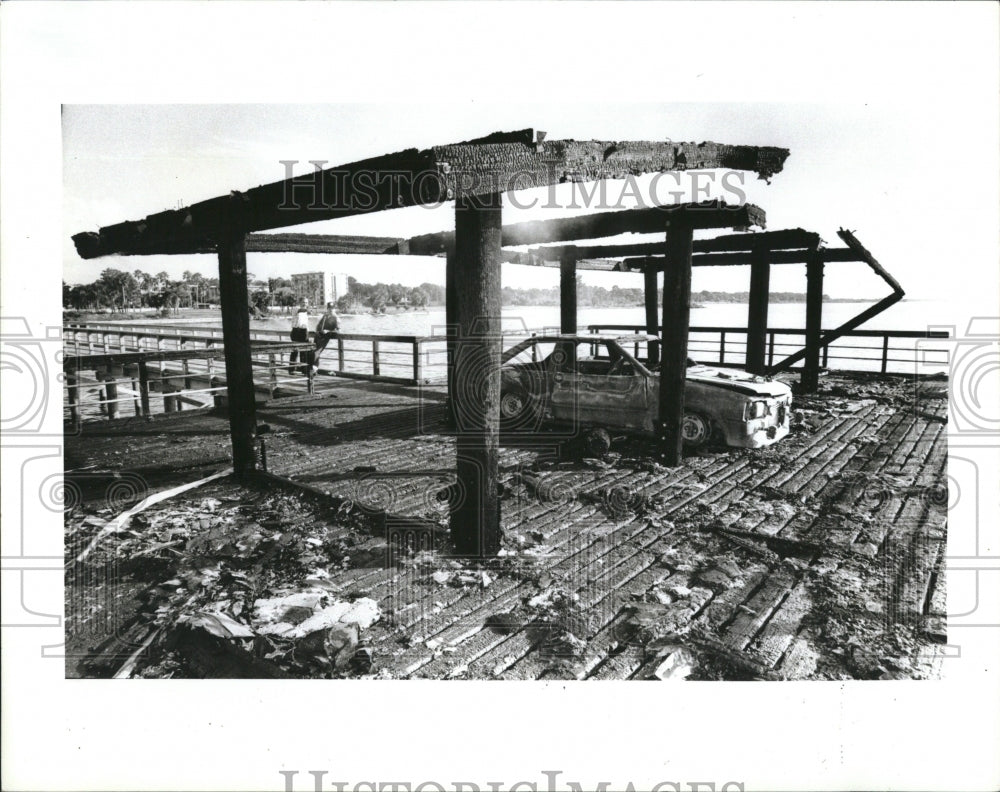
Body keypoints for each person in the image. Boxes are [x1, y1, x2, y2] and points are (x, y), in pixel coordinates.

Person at [313, 302, 340, 370]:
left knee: (316, 353)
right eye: (329, 308)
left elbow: (337, 331)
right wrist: (317, 331)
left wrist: (328, 331)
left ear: (334, 309)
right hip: (318, 335)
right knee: (312, 352)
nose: (331, 310)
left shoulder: (336, 318)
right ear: (327, 309)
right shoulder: (325, 316)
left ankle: (313, 370)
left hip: (325, 337)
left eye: (332, 308)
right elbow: (319, 325)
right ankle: (314, 369)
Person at [288, 301, 312, 375]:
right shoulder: (296, 308)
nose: (304, 304)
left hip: (304, 331)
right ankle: (292, 369)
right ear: (300, 302)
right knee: (294, 351)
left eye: (306, 302)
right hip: (295, 331)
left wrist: (308, 333)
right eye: (303, 302)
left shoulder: (305, 312)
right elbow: (300, 310)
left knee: (304, 352)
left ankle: (304, 369)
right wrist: (308, 310)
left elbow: (306, 322)